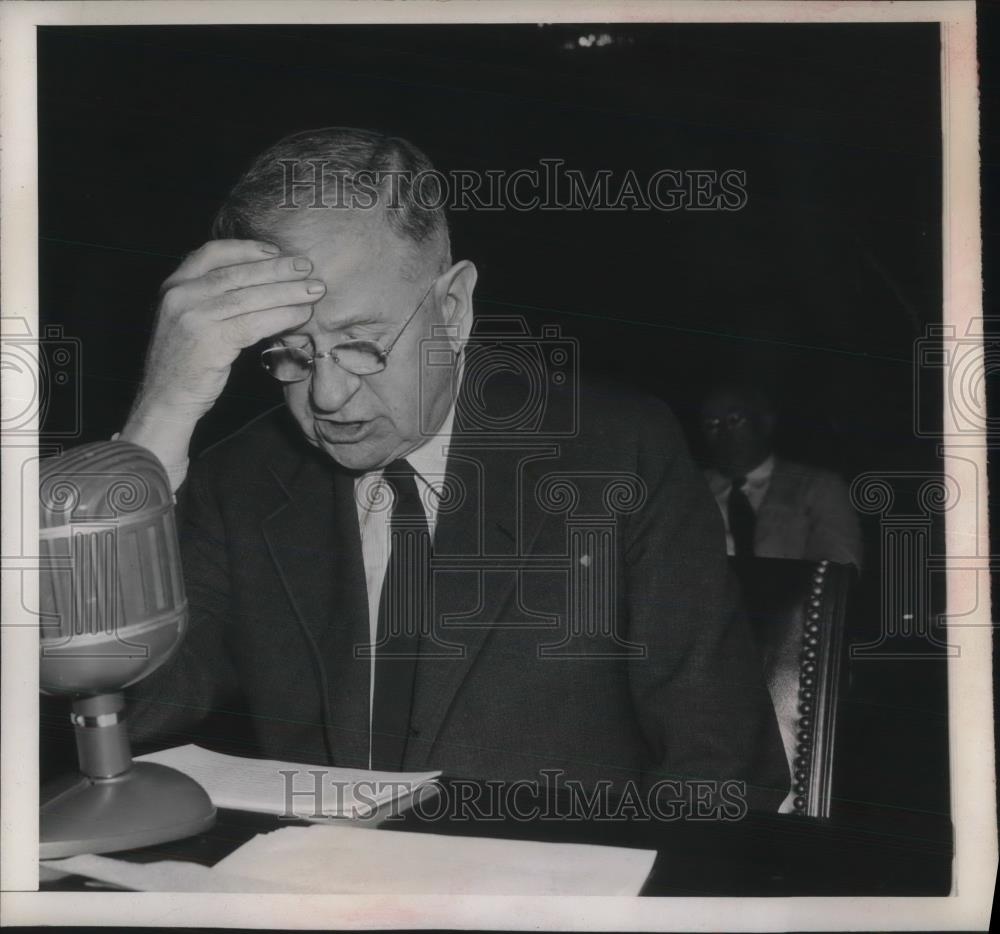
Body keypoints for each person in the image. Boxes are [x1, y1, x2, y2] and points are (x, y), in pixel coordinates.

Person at [122, 127, 788, 810]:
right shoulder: (241, 481)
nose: (325, 396)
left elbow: (724, 771)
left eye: (362, 345)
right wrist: (157, 423)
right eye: (288, 353)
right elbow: (120, 718)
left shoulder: (619, 453)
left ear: (452, 307)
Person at [699, 383, 863, 568]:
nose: (723, 433)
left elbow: (839, 570)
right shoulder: (692, 490)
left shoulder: (818, 488)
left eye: (735, 420)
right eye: (711, 425)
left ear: (766, 422)